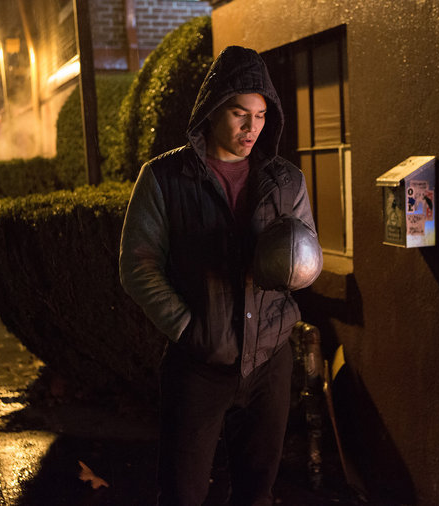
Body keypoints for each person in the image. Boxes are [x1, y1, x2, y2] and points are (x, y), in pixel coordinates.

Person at [119, 45, 321, 506]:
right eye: (239, 113)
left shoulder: (286, 180)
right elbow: (138, 264)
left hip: (270, 360)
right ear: (212, 111)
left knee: (256, 492)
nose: (252, 128)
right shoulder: (164, 178)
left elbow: (307, 257)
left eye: (261, 115)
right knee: (182, 492)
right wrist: (187, 328)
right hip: (199, 364)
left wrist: (295, 265)